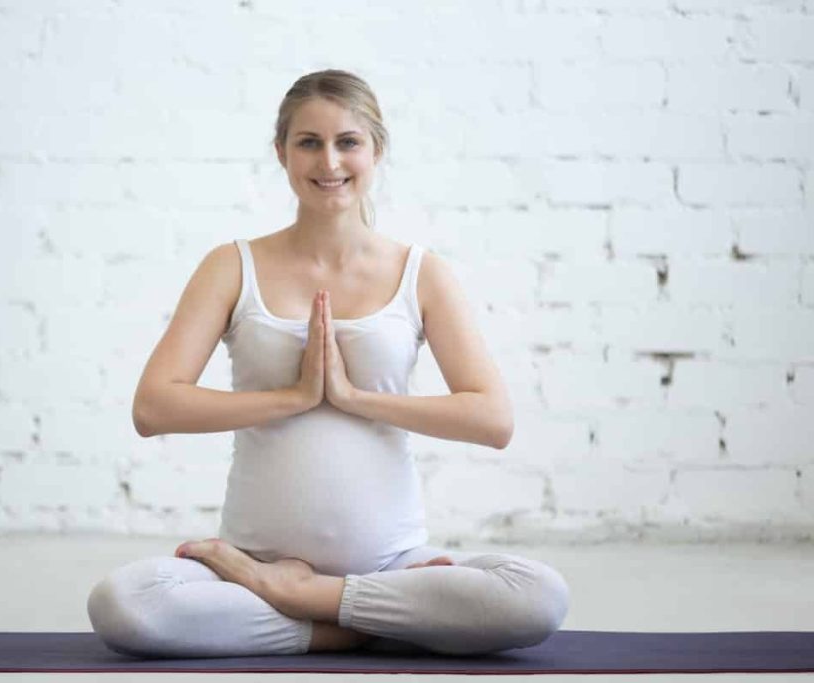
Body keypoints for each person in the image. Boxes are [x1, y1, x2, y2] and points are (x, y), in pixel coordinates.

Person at [86, 69, 569, 658]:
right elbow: (153, 406)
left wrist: (353, 397)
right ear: (281, 152)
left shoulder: (421, 272)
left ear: (376, 150)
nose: (329, 161)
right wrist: (292, 397)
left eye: (348, 142)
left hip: (392, 565)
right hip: (253, 566)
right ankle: (357, 620)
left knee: (537, 597)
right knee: (125, 604)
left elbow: (492, 420)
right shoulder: (231, 265)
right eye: (308, 142)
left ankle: (312, 602)